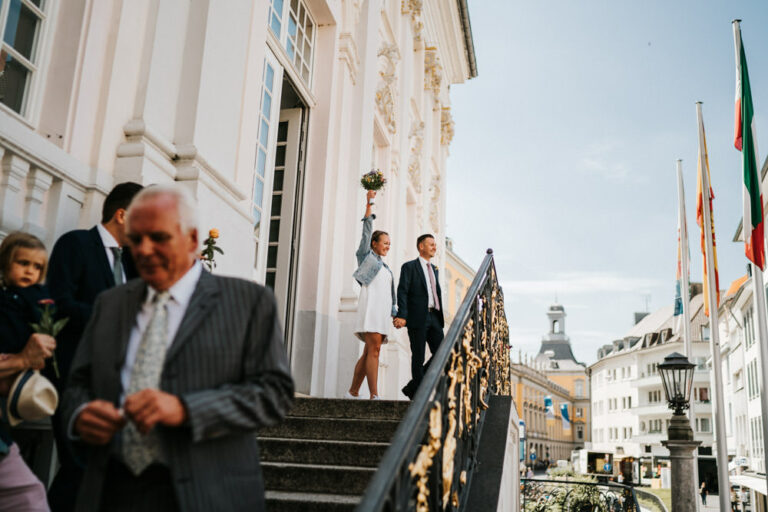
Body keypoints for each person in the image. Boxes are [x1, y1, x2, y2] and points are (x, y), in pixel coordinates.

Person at [61, 184, 294, 511]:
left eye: (158, 237)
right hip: (110, 491)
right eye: (136, 238)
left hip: (205, 493)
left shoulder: (249, 302)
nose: (143, 250)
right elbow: (76, 384)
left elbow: (274, 393)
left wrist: (185, 409)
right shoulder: (109, 304)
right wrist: (81, 414)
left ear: (193, 241)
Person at [45, 182, 143, 510]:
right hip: (76, 375)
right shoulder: (75, 244)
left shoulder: (131, 262)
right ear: (121, 214)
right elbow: (58, 303)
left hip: (115, 383)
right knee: (78, 466)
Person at [0, 232, 57, 511]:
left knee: (30, 496)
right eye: (22, 263)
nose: (29, 271)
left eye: (37, 267)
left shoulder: (38, 300)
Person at [345, 190, 396, 400]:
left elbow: (391, 295)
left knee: (369, 352)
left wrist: (395, 312)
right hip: (371, 310)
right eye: (384, 242)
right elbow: (366, 230)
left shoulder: (386, 268)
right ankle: (374, 394)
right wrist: (369, 203)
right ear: (374, 244)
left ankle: (353, 391)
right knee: (374, 351)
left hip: (382, 312)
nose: (387, 246)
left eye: (389, 244)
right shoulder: (367, 257)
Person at [394, 234, 444, 399]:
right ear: (421, 246)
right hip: (417, 317)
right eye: (431, 244)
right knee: (418, 356)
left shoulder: (434, 269)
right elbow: (403, 291)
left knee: (443, 353)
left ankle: (413, 387)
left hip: (435, 317)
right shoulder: (409, 267)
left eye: (435, 244)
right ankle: (420, 395)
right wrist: (402, 315)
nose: (434, 247)